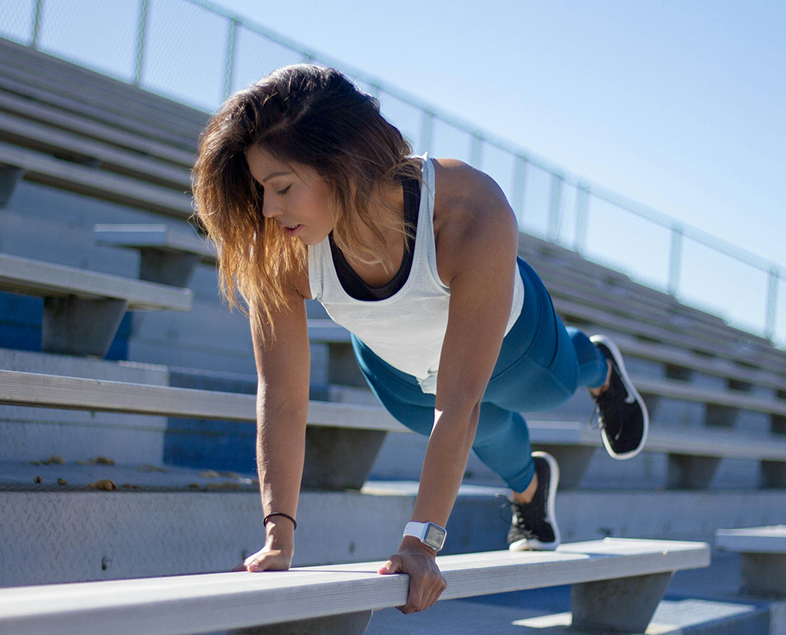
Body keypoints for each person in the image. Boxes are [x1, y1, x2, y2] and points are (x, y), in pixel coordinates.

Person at [192, 64, 649, 614]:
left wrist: (420, 543)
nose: (268, 208)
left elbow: (460, 400)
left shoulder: (468, 210)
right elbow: (283, 397)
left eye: (282, 187)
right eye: (261, 189)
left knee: (543, 392)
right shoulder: (281, 247)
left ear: (343, 162)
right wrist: (278, 537)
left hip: (513, 341)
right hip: (398, 367)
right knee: (484, 429)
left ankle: (598, 365)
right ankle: (530, 490)